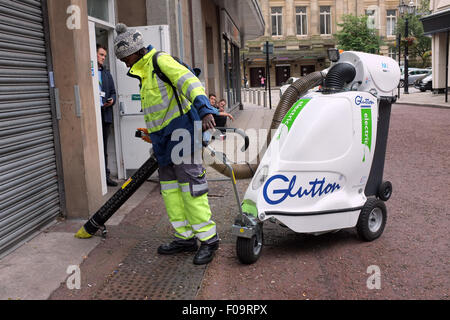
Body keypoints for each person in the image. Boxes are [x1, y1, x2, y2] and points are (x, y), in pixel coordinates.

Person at [114, 23, 219, 265]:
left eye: (125, 57)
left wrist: (204, 109)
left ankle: (209, 240)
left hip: (182, 134)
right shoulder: (143, 71)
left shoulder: (160, 61)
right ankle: (185, 237)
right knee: (171, 191)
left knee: (192, 188)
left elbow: (189, 82)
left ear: (136, 50)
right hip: (163, 142)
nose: (124, 63)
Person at [97, 44, 118, 187]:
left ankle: (106, 176)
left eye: (104, 55)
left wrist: (112, 100)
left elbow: (113, 92)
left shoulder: (106, 73)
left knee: (103, 147)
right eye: (101, 55)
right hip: (94, 115)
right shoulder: (90, 72)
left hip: (105, 115)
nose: (103, 58)